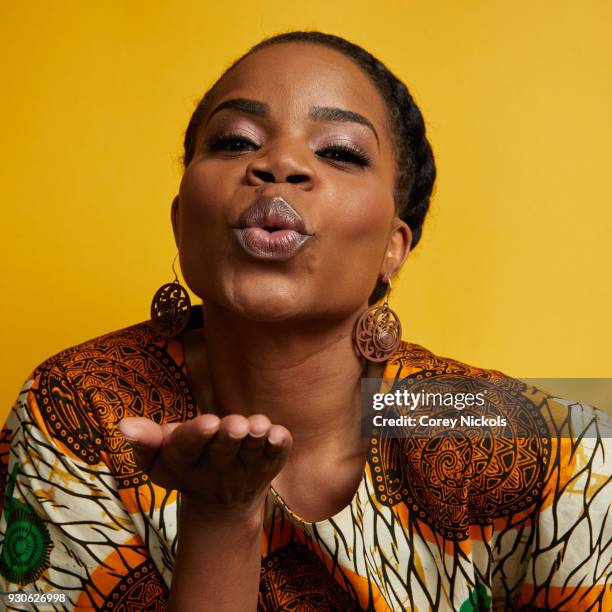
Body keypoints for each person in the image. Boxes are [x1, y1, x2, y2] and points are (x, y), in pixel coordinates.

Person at [0, 30, 609, 611]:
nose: (280, 164)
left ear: (394, 247)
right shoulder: (78, 409)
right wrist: (220, 514)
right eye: (236, 140)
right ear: (182, 220)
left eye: (340, 152)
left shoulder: (540, 452)